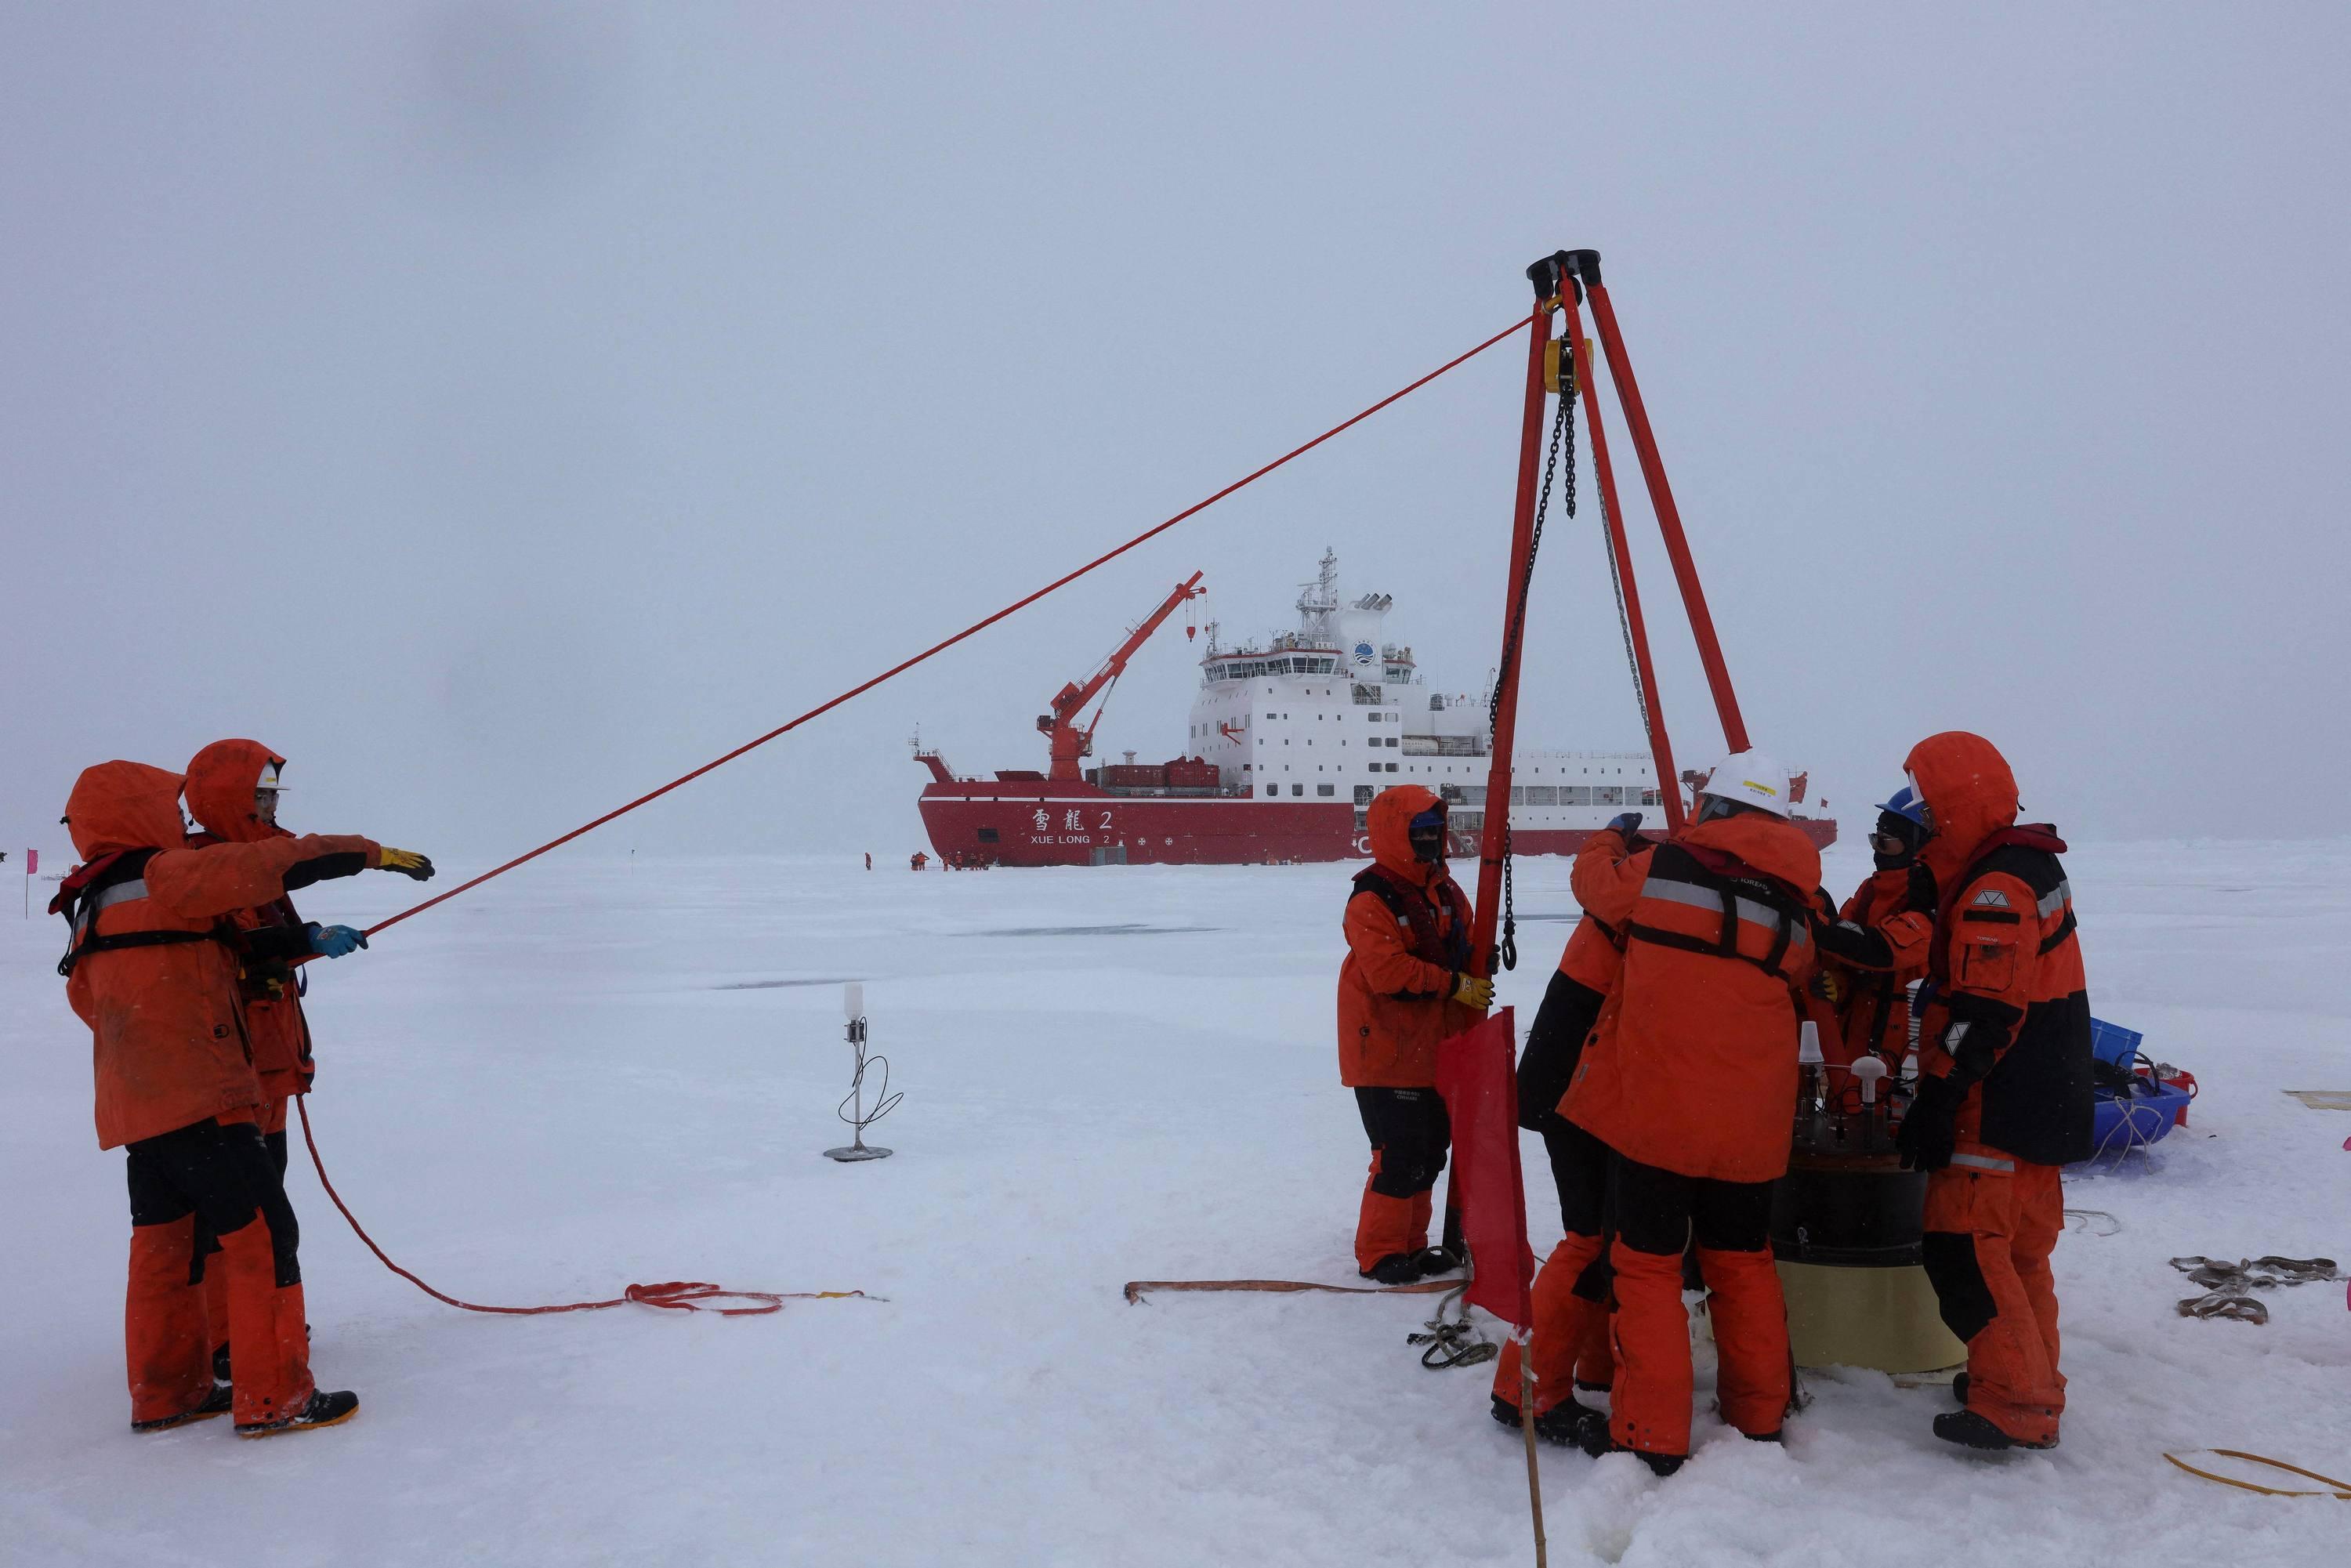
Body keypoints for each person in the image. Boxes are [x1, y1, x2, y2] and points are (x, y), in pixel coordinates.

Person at [55, 759, 433, 1437]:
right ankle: (274, 1396)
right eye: (169, 808)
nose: (179, 820)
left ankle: (167, 1391)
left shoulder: (94, 897)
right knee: (264, 1233)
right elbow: (275, 863)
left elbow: (111, 989)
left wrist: (300, 940)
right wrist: (369, 854)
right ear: (137, 812)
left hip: (135, 1107)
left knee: (169, 1246)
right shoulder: (168, 873)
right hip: (201, 1095)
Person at [1552, 749, 1822, 1474]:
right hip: (1752, 1129)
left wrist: (1609, 838)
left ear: (1713, 808)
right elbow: (1799, 975)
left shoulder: (1664, 869)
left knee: (1646, 1271)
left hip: (1662, 1116)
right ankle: (1759, 1416)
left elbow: (1596, 889)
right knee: (1743, 1265)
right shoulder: (1796, 910)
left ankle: (1650, 1430)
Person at [1893, 733, 2091, 1451]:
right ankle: (2028, 1375)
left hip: (1999, 1103)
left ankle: (2015, 1399)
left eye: (1926, 804)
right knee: (2021, 1254)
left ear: (1954, 804)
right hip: (2048, 1096)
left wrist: (1938, 1098)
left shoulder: (1995, 888)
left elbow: (1984, 1013)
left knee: (1966, 1249)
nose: (1920, 820)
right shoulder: (2029, 864)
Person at [182, 741, 371, 1386]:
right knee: (241, 1214)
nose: (270, 806)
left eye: (273, 796)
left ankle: (256, 1323)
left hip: (271, 1065)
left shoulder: (260, 866)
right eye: (259, 795)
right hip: (234, 1069)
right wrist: (302, 939)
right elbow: (235, 947)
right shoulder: (205, 865)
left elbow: (264, 944)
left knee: (267, 1200)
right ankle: (232, 1338)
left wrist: (304, 941)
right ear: (228, 798)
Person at [1487, 817, 1646, 1440]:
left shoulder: (1634, 887)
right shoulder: (1656, 892)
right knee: (1590, 1237)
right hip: (1577, 1087)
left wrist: (1608, 839)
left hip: (1577, 1080)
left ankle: (1595, 1365)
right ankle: (1526, 1389)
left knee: (1609, 1233)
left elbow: (1595, 878)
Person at [1337, 784, 1487, 1284]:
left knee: (1429, 1153)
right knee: (1399, 1154)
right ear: (1394, 833)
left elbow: (1469, 941)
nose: (1429, 839)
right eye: (1418, 831)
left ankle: (1411, 1244)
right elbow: (1388, 973)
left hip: (1434, 1048)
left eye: (1434, 831)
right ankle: (1380, 1252)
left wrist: (1476, 965)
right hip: (1384, 1050)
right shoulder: (1370, 898)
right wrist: (1455, 984)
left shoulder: (1445, 892)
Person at [1811, 788, 1938, 1077]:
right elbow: (1843, 947)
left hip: (1908, 1047)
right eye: (1874, 839)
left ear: (1917, 846)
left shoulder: (1933, 899)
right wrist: (1838, 984)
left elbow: (1882, 949)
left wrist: (1813, 921)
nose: (1877, 850)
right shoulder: (1870, 890)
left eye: (1885, 842)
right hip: (1858, 1037)